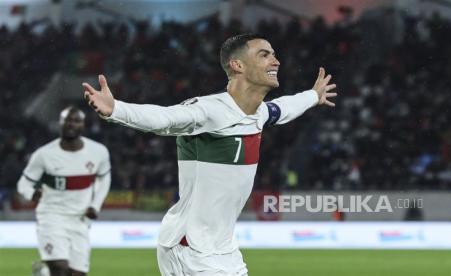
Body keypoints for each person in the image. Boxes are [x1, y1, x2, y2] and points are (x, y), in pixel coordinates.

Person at [83, 33, 337, 275]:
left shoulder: (257, 114)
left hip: (222, 248)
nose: (276, 60)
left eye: (274, 54)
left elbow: (284, 108)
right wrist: (116, 109)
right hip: (192, 247)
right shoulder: (209, 111)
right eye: (264, 54)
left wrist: (313, 96)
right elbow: (164, 118)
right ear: (237, 65)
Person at [17, 106, 111, 276]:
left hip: (80, 219)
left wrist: (95, 205)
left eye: (76, 120)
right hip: (51, 216)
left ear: (83, 125)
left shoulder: (98, 152)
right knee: (60, 268)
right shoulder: (44, 155)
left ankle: (43, 273)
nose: (71, 124)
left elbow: (104, 179)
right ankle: (49, 270)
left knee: (77, 274)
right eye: (67, 120)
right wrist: (32, 193)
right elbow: (24, 183)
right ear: (59, 123)